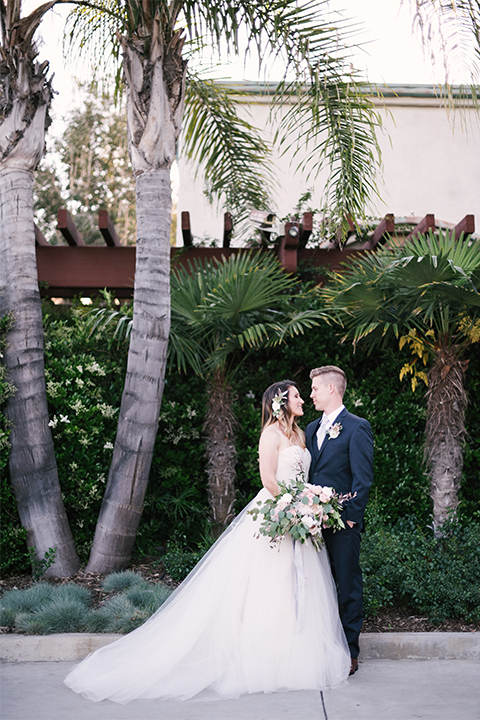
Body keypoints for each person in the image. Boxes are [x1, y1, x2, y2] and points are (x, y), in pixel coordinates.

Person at [64, 380, 350, 704]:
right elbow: (268, 479)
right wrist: (295, 507)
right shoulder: (270, 435)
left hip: (301, 517)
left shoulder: (300, 434)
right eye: (298, 396)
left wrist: (309, 504)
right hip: (278, 514)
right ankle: (263, 659)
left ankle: (298, 655)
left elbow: (302, 476)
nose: (303, 400)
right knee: (270, 585)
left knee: (300, 585)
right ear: (281, 402)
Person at [305, 366, 374, 677]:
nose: (311, 394)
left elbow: (363, 479)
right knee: (313, 587)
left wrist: (350, 519)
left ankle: (349, 652)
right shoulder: (309, 429)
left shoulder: (357, 427)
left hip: (342, 523)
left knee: (347, 586)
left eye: (315, 388)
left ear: (332, 389)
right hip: (309, 523)